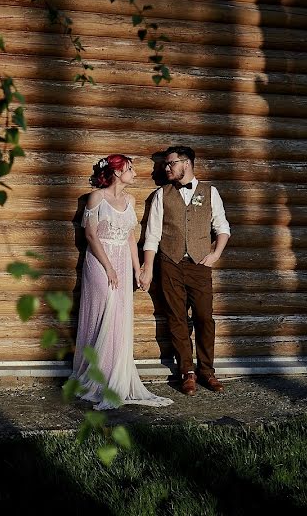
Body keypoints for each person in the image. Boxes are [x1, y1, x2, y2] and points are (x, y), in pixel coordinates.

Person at [70, 154, 173, 410]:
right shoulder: (97, 198)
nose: (134, 173)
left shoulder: (130, 200)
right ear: (116, 172)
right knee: (103, 314)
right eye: (130, 169)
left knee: (119, 317)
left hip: (124, 264)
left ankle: (114, 374)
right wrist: (109, 268)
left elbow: (130, 238)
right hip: (100, 262)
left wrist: (138, 270)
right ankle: (97, 378)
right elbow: (91, 236)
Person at [139, 146, 231, 396]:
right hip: (170, 264)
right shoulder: (161, 194)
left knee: (204, 318)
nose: (165, 168)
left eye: (170, 164)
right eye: (165, 165)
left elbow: (222, 226)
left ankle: (207, 371)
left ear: (186, 163)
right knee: (176, 318)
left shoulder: (210, 192)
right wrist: (148, 268)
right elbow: (152, 236)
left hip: (200, 266)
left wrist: (215, 254)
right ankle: (186, 373)